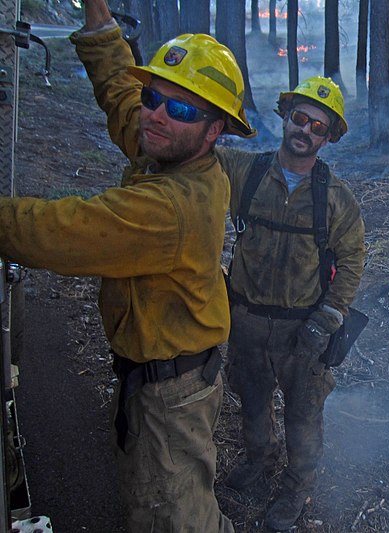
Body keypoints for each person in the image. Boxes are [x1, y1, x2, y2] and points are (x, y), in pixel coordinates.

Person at [0, 0, 255, 530]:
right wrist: (100, 20)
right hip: (159, 376)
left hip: (171, 399)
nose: (157, 115)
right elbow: (122, 96)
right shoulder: (168, 150)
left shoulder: (173, 207)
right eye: (155, 98)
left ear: (215, 132)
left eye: (182, 110)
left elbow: (57, 232)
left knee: (173, 517)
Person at [216, 76, 365, 531]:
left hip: (304, 333)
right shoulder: (245, 172)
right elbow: (195, 156)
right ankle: (258, 461)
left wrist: (328, 317)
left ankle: (296, 489)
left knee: (303, 416)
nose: (306, 130)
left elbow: (354, 258)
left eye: (318, 126)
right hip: (246, 321)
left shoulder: (336, 199)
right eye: (300, 118)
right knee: (253, 401)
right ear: (285, 118)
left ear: (328, 137)